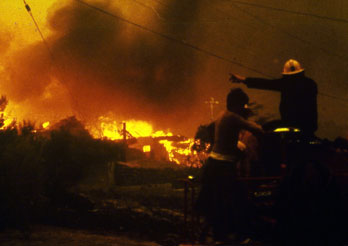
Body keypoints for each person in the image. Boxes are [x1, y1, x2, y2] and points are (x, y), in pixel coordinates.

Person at [195, 88, 264, 244]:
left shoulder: (221, 114)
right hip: (223, 167)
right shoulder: (233, 117)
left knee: (217, 201)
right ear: (237, 104)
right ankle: (236, 236)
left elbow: (209, 129)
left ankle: (215, 235)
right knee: (232, 200)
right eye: (243, 105)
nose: (243, 108)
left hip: (214, 164)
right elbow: (255, 128)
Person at [230, 59, 318, 136]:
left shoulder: (286, 84)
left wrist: (244, 79)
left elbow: (266, 83)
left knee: (264, 130)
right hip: (309, 126)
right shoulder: (311, 84)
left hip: (289, 123)